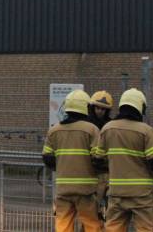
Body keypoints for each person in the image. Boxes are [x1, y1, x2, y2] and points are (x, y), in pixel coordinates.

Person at [93, 88, 153, 232]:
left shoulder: (107, 129)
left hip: (116, 193)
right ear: (140, 107)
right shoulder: (146, 131)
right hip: (142, 195)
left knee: (113, 228)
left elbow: (98, 160)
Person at [43, 89, 103, 232]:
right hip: (86, 190)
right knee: (92, 226)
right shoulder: (92, 130)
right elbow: (99, 158)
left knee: (63, 226)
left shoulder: (54, 131)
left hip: (63, 189)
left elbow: (47, 158)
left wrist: (64, 166)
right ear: (85, 108)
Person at [89, 90, 114, 210]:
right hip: (92, 172)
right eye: (97, 108)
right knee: (92, 208)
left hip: (108, 171)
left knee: (112, 207)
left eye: (103, 109)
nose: (100, 111)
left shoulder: (110, 125)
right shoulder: (87, 124)